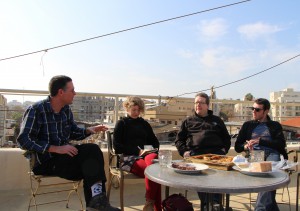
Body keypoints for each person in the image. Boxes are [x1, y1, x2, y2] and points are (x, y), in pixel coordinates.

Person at [17, 75, 120, 211]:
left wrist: (90, 130)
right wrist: (55, 148)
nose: (75, 93)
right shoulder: (36, 110)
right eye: (72, 90)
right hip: (46, 161)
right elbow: (23, 140)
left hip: (65, 157)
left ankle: (97, 202)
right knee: (90, 168)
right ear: (61, 92)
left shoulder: (66, 110)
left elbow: (73, 133)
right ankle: (96, 204)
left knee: (93, 149)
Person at [175, 92, 231, 210]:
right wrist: (184, 152)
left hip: (216, 155)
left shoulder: (217, 120)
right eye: (196, 103)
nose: (197, 105)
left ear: (207, 105)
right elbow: (179, 140)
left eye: (201, 102)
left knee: (219, 174)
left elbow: (226, 138)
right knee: (200, 174)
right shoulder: (188, 121)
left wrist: (223, 150)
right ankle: (208, 204)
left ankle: (214, 204)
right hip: (196, 154)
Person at [234, 98, 287, 211]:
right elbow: (238, 146)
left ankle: (260, 208)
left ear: (266, 111)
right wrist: (246, 146)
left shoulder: (275, 125)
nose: (254, 111)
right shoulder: (248, 125)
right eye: (253, 108)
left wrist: (260, 141)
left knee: (268, 172)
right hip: (256, 153)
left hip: (273, 152)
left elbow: (281, 144)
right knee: (266, 175)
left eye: (257, 109)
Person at [113, 96, 161, 211]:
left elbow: (155, 142)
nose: (136, 112)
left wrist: (150, 149)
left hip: (147, 155)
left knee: (153, 161)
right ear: (127, 109)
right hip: (128, 157)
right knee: (154, 172)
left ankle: (149, 202)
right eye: (133, 110)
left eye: (138, 110)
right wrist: (137, 151)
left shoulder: (144, 124)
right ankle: (156, 207)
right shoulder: (122, 123)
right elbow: (117, 147)